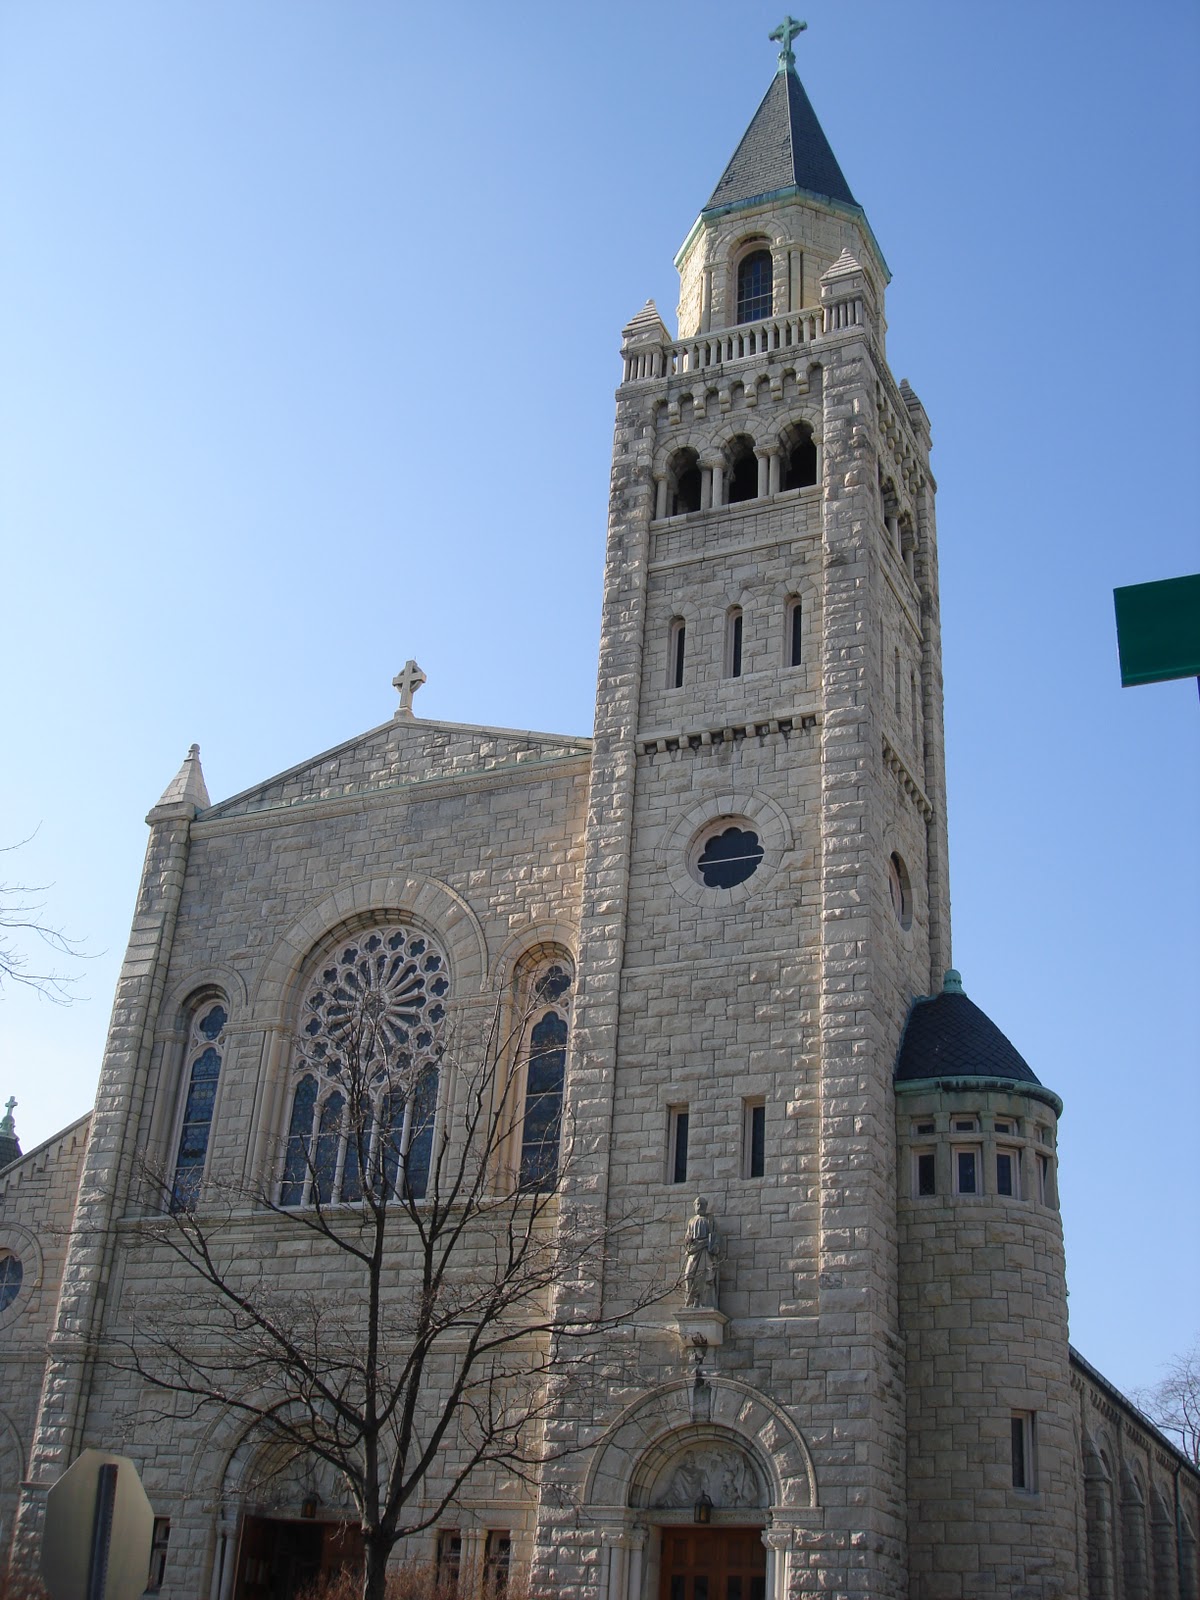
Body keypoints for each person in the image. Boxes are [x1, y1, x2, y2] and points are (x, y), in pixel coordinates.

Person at [682, 1196, 719, 1309]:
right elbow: (687, 1238)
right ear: (694, 1206)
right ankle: (691, 1300)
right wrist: (688, 1242)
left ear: (706, 1206)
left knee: (703, 1276)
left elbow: (715, 1238)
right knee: (688, 1276)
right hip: (694, 1252)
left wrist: (712, 1246)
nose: (700, 1206)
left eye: (702, 1204)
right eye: (697, 1204)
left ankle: (703, 1302)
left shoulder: (710, 1220)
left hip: (705, 1252)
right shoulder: (691, 1221)